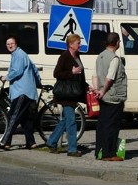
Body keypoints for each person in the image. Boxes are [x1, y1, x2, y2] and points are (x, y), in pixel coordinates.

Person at [45, 34, 89, 157]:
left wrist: (86, 86)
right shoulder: (64, 56)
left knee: (65, 120)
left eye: (79, 43)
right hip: (66, 94)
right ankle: (72, 149)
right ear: (70, 44)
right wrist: (71, 72)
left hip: (74, 93)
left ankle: (51, 141)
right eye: (77, 43)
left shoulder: (77, 56)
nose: (80, 45)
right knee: (72, 121)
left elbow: (80, 75)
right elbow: (57, 73)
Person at [0, 36, 41, 150]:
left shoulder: (19, 55)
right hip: (26, 90)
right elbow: (34, 68)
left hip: (22, 91)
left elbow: (17, 71)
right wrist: (37, 82)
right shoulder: (19, 54)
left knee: (13, 116)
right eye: (8, 44)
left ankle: (5, 141)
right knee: (24, 119)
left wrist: (6, 77)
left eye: (12, 43)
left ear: (16, 44)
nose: (10, 46)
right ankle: (30, 142)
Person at [93, 32, 127, 161]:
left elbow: (95, 75)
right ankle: (109, 153)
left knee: (102, 125)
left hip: (103, 96)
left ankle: (99, 151)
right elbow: (110, 78)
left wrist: (97, 90)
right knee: (112, 126)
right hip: (114, 96)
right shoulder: (114, 59)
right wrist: (103, 90)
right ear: (117, 42)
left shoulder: (100, 56)